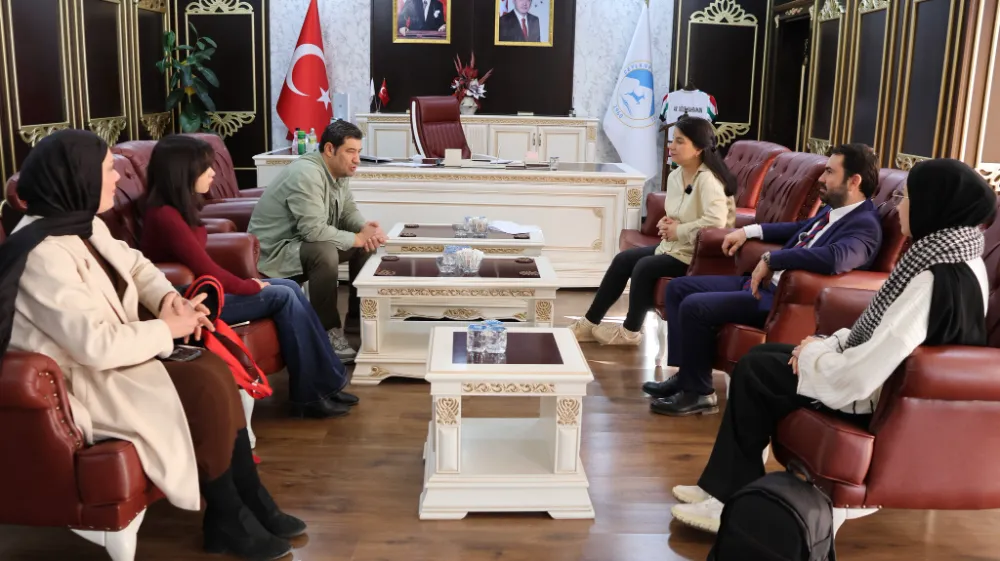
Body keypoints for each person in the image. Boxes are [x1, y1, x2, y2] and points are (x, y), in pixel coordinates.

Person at [0, 129, 305, 559]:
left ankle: (247, 498)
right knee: (203, 383)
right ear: (79, 177)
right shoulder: (41, 253)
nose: (116, 179)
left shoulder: (81, 223)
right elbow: (94, 347)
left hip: (119, 357)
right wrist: (168, 328)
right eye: (109, 170)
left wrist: (168, 300)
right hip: (82, 380)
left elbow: (138, 265)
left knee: (213, 368)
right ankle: (227, 514)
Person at [669, 158, 996, 533]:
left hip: (879, 397)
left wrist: (815, 352)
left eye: (907, 198)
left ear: (933, 205)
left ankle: (728, 499)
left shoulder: (933, 277)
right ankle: (723, 488)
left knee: (757, 370)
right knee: (760, 359)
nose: (899, 207)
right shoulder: (958, 254)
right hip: (888, 384)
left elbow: (864, 373)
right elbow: (880, 334)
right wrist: (824, 344)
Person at [644, 143, 883, 416]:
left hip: (780, 298)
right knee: (678, 288)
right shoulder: (836, 211)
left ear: (854, 181)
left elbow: (836, 258)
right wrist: (749, 231)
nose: (821, 178)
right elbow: (799, 229)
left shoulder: (865, 225)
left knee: (694, 306)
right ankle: (687, 376)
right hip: (764, 285)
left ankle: (698, 394)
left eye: (829, 172)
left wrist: (773, 259)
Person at [140, 135, 359, 419]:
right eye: (205, 167)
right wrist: (248, 285)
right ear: (184, 171)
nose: (212, 172)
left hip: (204, 290)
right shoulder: (165, 216)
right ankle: (311, 395)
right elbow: (205, 267)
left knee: (289, 287)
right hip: (190, 300)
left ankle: (325, 386)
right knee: (282, 294)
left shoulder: (178, 209)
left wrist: (248, 284)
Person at [568, 117, 737, 345]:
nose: (671, 146)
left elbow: (716, 223)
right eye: (672, 140)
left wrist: (679, 230)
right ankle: (589, 323)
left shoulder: (708, 180)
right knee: (623, 260)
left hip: (698, 255)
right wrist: (668, 223)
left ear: (698, 149)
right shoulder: (676, 175)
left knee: (645, 266)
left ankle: (630, 332)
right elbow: (681, 212)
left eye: (680, 142)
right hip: (675, 247)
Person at [248, 120, 386, 362]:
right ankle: (326, 332)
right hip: (275, 252)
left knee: (364, 247)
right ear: (330, 149)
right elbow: (313, 231)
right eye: (350, 151)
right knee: (325, 252)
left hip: (303, 244)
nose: (357, 159)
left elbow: (347, 211)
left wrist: (365, 230)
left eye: (358, 152)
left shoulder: (339, 171)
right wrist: (356, 238)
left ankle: (358, 322)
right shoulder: (307, 173)